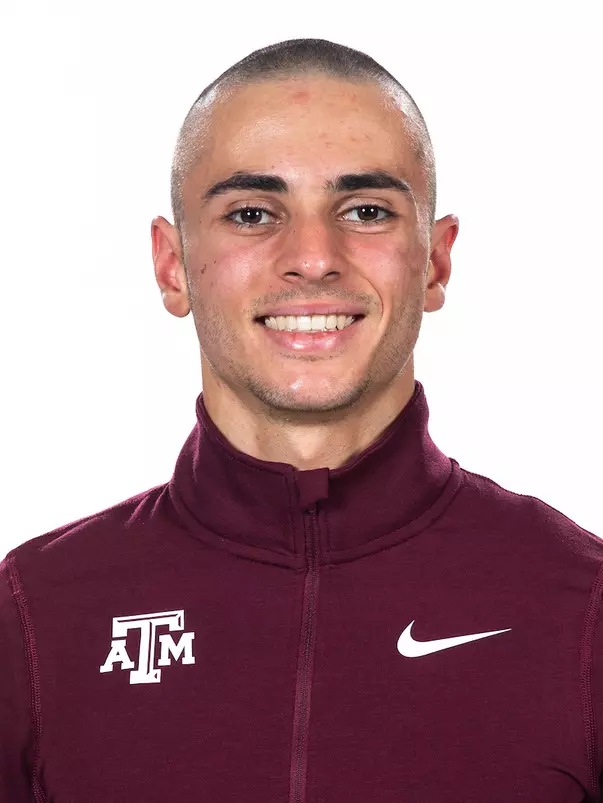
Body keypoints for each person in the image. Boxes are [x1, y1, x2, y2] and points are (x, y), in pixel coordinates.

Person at [1, 37, 601, 803]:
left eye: (366, 211)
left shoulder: (582, 607)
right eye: (252, 213)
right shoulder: (34, 616)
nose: (314, 257)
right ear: (172, 264)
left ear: (434, 261)